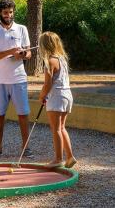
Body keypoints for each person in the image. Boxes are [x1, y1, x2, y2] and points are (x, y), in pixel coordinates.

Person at [0, 0, 33, 159]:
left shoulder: (22, 29)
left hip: (19, 78)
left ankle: (26, 148)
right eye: (6, 12)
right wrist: (10, 52)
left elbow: (29, 53)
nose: (9, 15)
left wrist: (23, 54)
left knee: (23, 114)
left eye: (11, 12)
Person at [38, 31, 77, 168]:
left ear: (44, 46)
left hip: (57, 96)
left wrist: (42, 95)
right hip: (67, 95)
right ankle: (70, 157)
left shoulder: (50, 62)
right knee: (61, 127)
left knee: (56, 129)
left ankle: (58, 159)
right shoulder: (62, 59)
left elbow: (47, 84)